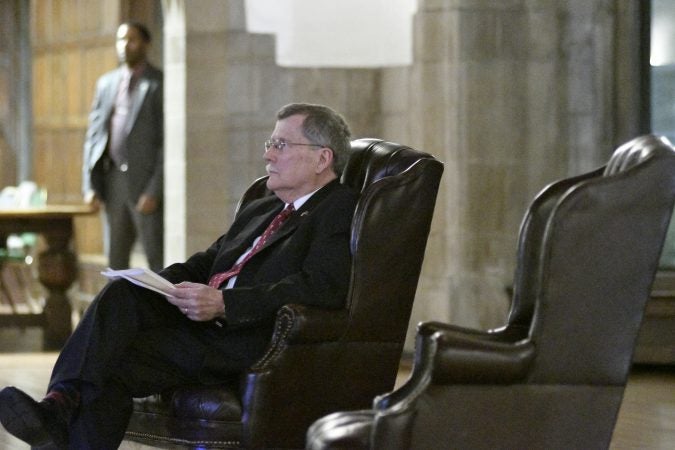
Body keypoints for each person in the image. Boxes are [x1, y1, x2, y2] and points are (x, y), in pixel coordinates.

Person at [0, 103, 357, 449]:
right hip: (200, 323)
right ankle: (58, 405)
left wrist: (223, 303)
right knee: (122, 296)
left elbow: (321, 286)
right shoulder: (262, 206)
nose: (268, 156)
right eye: (270, 144)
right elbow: (208, 262)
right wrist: (156, 284)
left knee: (110, 364)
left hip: (245, 336)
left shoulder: (338, 207)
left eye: (281, 145)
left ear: (322, 158)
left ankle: (57, 415)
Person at [81, 21, 164, 272]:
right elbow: (94, 136)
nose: (124, 46)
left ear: (146, 44)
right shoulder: (106, 84)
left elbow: (166, 144)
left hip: (144, 184)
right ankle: (116, 312)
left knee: (156, 259)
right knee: (116, 262)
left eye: (132, 39)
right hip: (113, 180)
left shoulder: (158, 83)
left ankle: (157, 311)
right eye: (120, 40)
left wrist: (154, 189)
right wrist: (90, 185)